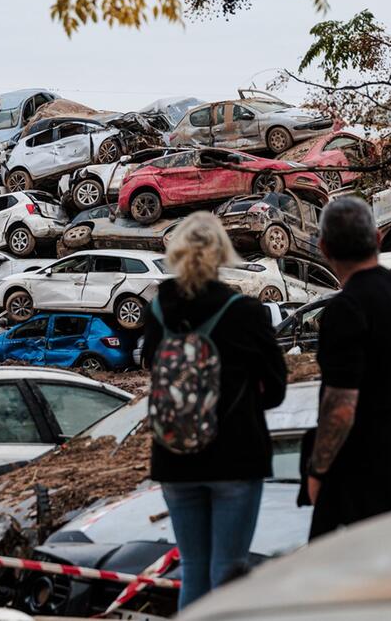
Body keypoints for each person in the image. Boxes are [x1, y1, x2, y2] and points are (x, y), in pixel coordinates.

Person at [142, 211, 287, 609]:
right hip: (235, 457)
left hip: (175, 458)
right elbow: (276, 390)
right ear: (223, 252)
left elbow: (151, 368)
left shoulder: (158, 309)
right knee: (228, 571)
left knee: (193, 568)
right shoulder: (244, 311)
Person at [307, 197, 391, 540]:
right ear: (379, 239)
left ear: (323, 248)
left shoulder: (345, 308)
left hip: (360, 463)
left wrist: (318, 470)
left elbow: (341, 406)